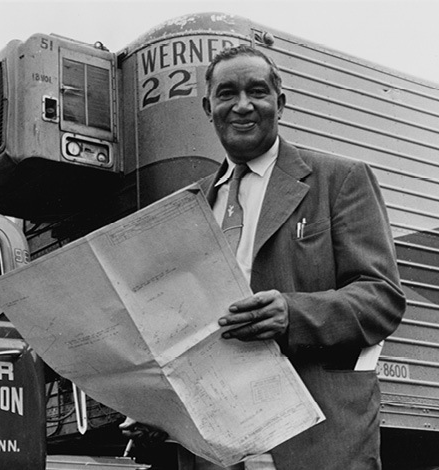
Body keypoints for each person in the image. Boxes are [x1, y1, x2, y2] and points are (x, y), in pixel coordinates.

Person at [123, 45, 406, 470]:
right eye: (226, 94)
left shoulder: (340, 179)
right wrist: (153, 404)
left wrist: (293, 314)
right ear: (208, 107)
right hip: (216, 441)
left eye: (257, 91)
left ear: (280, 103)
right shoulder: (190, 206)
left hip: (315, 437)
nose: (242, 105)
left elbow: (382, 299)